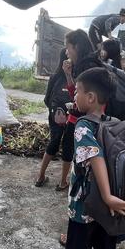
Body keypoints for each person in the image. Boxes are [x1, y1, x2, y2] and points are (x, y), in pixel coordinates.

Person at [53, 67, 125, 249]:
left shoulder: (84, 126)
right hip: (108, 211)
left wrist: (106, 194)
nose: (74, 96)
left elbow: (94, 156)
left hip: (84, 206)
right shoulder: (114, 123)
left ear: (90, 97)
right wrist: (112, 198)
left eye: (77, 91)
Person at [55, 29, 104, 246]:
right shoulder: (92, 62)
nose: (67, 51)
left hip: (86, 126)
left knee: (80, 182)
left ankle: (76, 234)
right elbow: (79, 94)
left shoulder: (86, 65)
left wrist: (75, 119)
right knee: (89, 180)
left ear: (76, 46)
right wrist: (68, 75)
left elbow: (81, 100)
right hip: (96, 124)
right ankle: (94, 227)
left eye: (68, 47)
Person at [35, 49, 72, 191]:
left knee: (53, 142)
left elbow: (46, 99)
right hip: (72, 116)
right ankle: (63, 182)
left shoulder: (54, 76)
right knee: (68, 146)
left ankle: (40, 177)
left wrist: (55, 112)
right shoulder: (76, 77)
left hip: (55, 115)